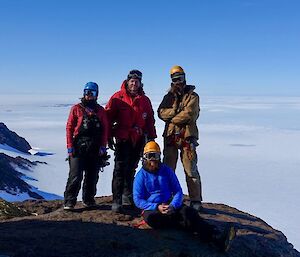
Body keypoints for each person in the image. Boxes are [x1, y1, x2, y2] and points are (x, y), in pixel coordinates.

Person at [133, 141, 235, 252]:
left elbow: (177, 191)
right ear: (144, 157)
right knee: (153, 219)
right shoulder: (140, 176)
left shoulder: (166, 171)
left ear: (159, 156)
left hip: (169, 204)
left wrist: (173, 205)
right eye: (150, 156)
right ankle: (195, 228)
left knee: (189, 213)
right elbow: (138, 200)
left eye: (155, 156)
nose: (153, 160)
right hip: (153, 209)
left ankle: (218, 239)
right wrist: (156, 206)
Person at [105, 69, 157, 213]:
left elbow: (150, 120)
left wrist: (151, 138)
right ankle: (117, 201)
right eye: (132, 81)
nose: (134, 84)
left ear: (140, 83)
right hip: (123, 138)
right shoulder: (118, 97)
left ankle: (127, 195)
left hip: (138, 138)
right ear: (127, 82)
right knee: (120, 169)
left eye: (137, 81)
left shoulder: (144, 100)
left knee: (132, 168)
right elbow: (108, 117)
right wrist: (108, 136)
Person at [157, 65, 202, 210]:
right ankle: (168, 196)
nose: (178, 81)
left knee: (190, 170)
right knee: (168, 168)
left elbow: (190, 114)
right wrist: (176, 111)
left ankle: (195, 200)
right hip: (171, 137)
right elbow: (160, 113)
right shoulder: (168, 97)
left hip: (187, 138)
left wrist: (171, 117)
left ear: (184, 77)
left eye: (180, 78)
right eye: (175, 78)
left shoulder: (193, 96)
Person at [64, 82, 108, 210]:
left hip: (95, 147)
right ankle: (69, 201)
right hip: (78, 147)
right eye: (87, 92)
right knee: (75, 175)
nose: (89, 95)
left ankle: (88, 199)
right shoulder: (76, 108)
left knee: (92, 176)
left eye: (92, 93)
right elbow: (69, 128)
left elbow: (105, 129)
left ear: (96, 94)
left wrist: (103, 146)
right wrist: (69, 146)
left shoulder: (100, 111)